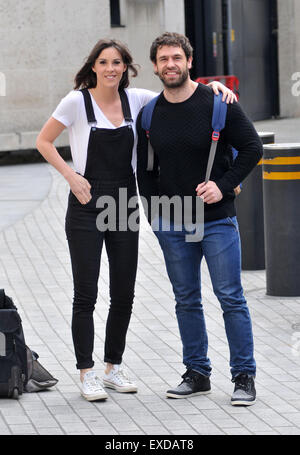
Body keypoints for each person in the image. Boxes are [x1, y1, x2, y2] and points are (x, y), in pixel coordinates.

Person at [36, 38, 236, 402]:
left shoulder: (139, 100)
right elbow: (44, 142)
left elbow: (180, 90)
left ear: (126, 67)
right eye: (104, 63)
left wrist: (213, 87)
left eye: (118, 63)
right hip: (87, 203)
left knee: (124, 293)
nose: (111, 69)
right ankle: (86, 372)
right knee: (86, 294)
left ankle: (113, 366)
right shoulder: (76, 102)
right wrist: (71, 177)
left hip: (125, 201)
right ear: (93, 66)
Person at [137, 32, 263, 406]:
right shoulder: (149, 113)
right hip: (172, 223)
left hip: (217, 220)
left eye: (177, 57)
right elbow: (145, 171)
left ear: (189, 61)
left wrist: (224, 186)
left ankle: (243, 376)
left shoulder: (218, 103)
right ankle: (197, 373)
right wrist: (156, 214)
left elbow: (253, 147)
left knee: (230, 297)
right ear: (156, 66)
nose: (170, 64)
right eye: (163, 59)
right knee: (186, 299)